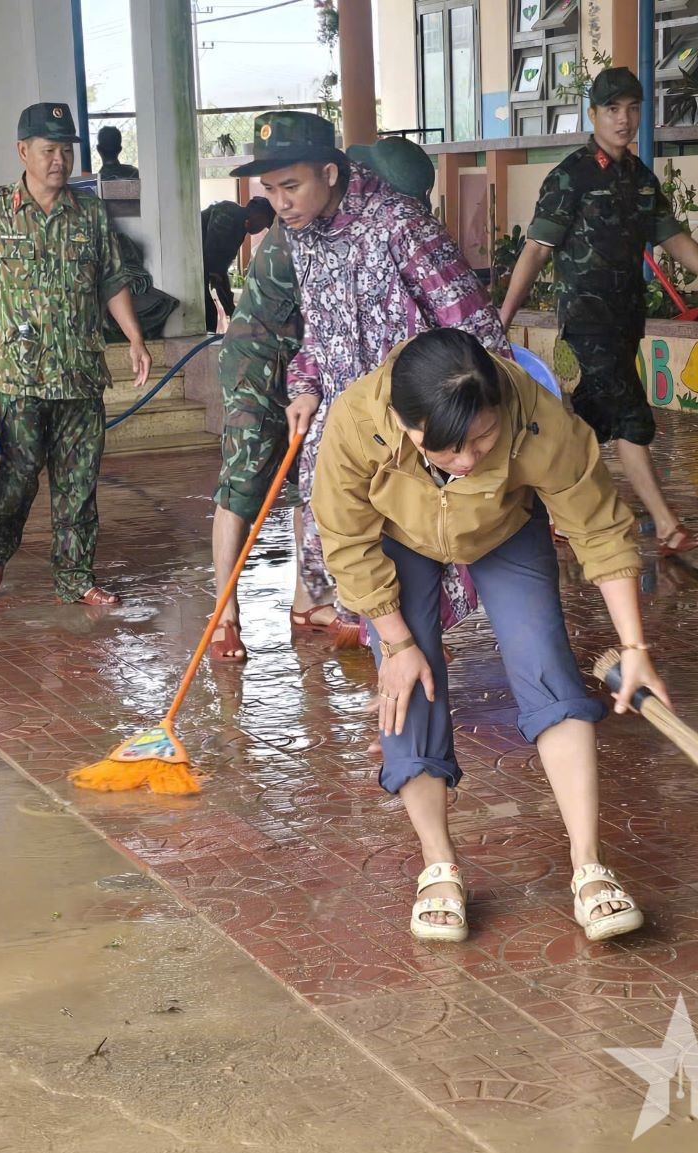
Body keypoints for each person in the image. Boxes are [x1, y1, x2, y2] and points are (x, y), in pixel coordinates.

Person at [313, 328, 667, 944]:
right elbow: (344, 539)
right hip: (399, 538)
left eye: (482, 438)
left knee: (548, 668)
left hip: (505, 526)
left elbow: (601, 529)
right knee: (409, 688)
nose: (469, 460)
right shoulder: (356, 421)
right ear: (403, 422)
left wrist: (635, 649)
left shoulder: (537, 419)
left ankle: (589, 867)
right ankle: (439, 867)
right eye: (446, 449)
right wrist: (395, 644)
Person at [233, 111, 508, 646]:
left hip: (414, 429)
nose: (279, 203)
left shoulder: (400, 224)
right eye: (270, 190)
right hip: (343, 430)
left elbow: (476, 330)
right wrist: (306, 385)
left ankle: (409, 699)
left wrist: (467, 425)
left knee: (414, 564)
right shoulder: (300, 234)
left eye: (291, 186)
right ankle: (396, 686)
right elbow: (317, 328)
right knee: (354, 554)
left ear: (330, 173)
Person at [0, 102, 151, 606]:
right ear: (23, 151)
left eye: (65, 150)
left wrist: (135, 338)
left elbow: (112, 279)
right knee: (17, 478)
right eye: (48, 150)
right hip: (21, 374)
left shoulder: (90, 212)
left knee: (78, 483)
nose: (59, 160)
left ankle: (76, 576)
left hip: (80, 373)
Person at [499, 67, 698, 555]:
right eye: (612, 109)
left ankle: (546, 509)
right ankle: (666, 524)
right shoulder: (569, 176)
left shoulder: (639, 177)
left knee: (592, 422)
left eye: (632, 109)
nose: (624, 119)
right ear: (592, 114)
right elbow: (536, 250)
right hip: (588, 318)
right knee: (632, 415)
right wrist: (504, 317)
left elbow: (675, 239)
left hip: (625, 319)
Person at [209, 136, 437, 663]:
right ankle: (225, 613)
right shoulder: (307, 222)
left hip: (313, 361)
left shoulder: (362, 219)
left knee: (311, 479)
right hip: (259, 356)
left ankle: (308, 600)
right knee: (244, 482)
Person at [200, 196, 275, 333]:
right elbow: (214, 265)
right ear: (259, 215)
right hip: (188, 267)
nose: (261, 229)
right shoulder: (229, 213)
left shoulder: (240, 228)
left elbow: (219, 271)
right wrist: (232, 312)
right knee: (206, 312)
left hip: (199, 272)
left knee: (208, 314)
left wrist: (232, 312)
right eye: (264, 225)